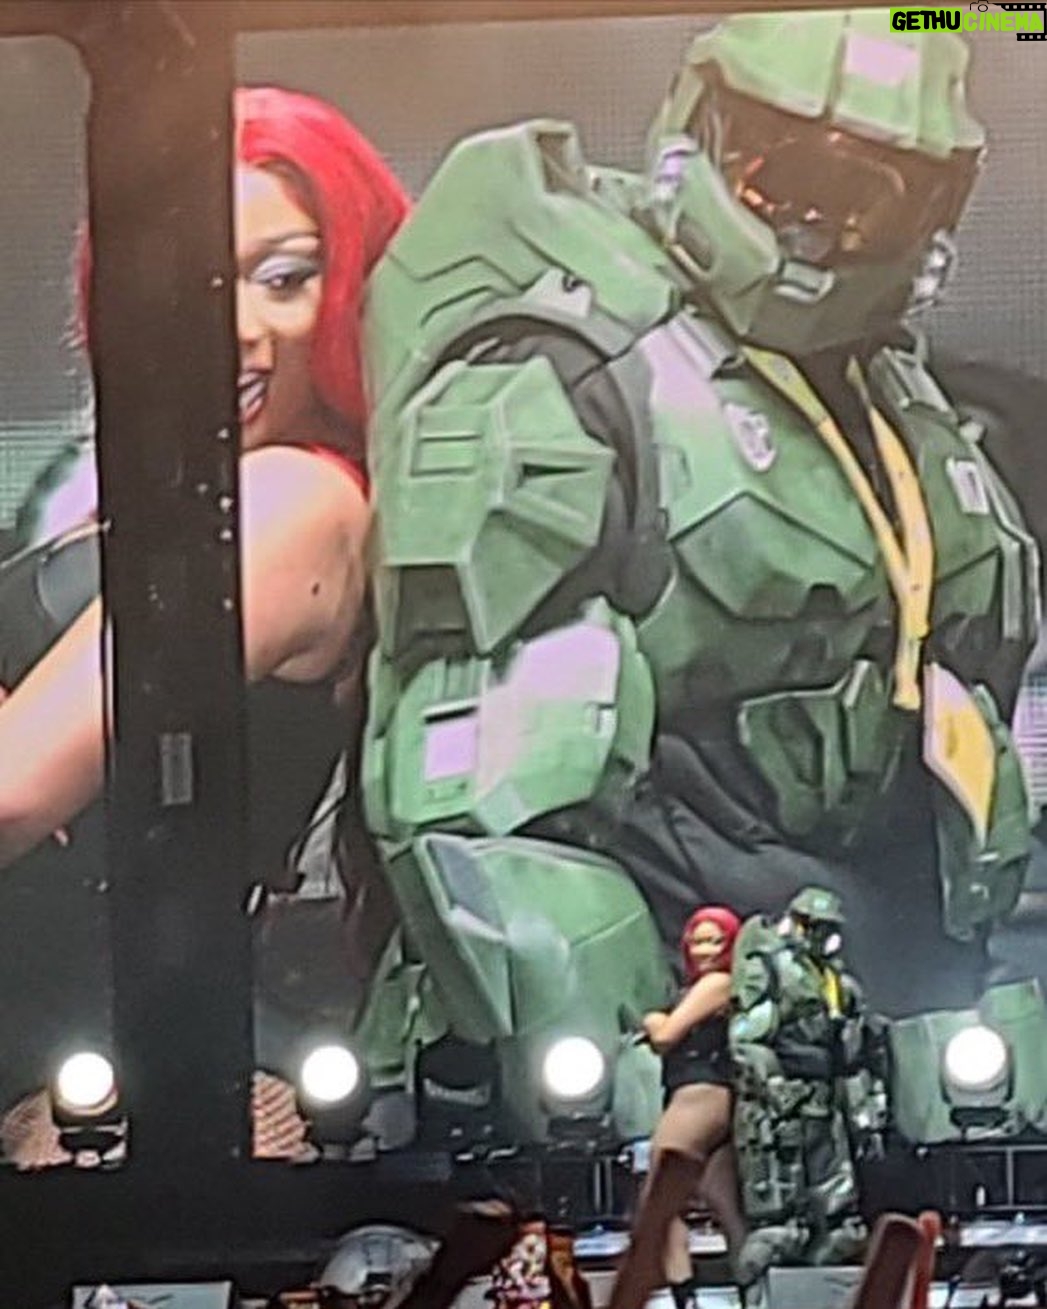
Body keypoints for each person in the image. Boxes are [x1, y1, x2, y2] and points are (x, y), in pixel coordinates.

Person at [351, 6, 1042, 1159]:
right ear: (701, 130)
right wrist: (630, 1106)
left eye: (865, 195)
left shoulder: (900, 412)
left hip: (879, 1039)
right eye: (778, 172)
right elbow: (484, 804)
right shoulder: (569, 377)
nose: (813, 225)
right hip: (618, 1063)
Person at [0, 85, 409, 1158]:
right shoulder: (181, 504)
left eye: (285, 277)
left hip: (103, 1102)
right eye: (187, 283)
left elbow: (9, 791)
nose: (232, 327)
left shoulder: (295, 500)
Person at [729, 888, 888, 1282]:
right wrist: (773, 1086)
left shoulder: (837, 982)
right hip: (782, 1102)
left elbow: (854, 1054)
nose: (821, 936)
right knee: (779, 1220)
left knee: (840, 1218)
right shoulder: (772, 969)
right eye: (813, 926)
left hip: (825, 1098)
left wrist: (866, 1108)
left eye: (827, 929)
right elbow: (746, 1038)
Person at [608, 906, 746, 1309]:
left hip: (698, 1098)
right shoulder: (710, 986)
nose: (705, 950)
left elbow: (666, 1036)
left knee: (658, 1205)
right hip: (704, 1098)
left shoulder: (718, 983)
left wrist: (652, 1020)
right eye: (698, 941)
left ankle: (680, 1298)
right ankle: (750, 1292)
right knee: (724, 1204)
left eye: (715, 941)